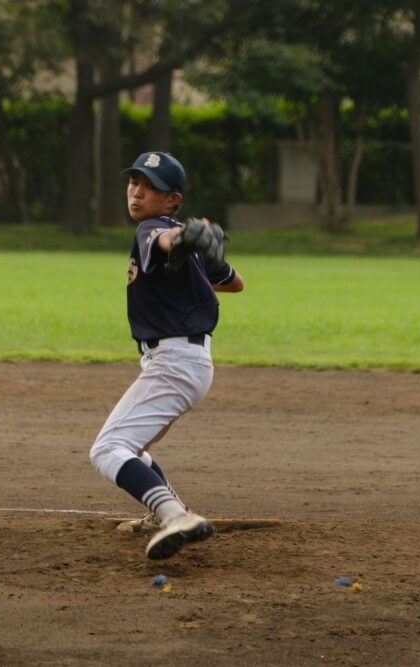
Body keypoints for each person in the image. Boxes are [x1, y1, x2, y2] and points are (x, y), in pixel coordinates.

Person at [89, 151, 244, 560]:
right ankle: (169, 512)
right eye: (134, 182)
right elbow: (235, 283)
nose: (137, 192)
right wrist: (202, 252)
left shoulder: (154, 229)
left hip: (174, 362)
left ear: (172, 199)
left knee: (108, 449)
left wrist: (182, 239)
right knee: (134, 446)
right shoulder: (179, 236)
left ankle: (174, 514)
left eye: (150, 187)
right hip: (189, 362)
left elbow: (163, 241)